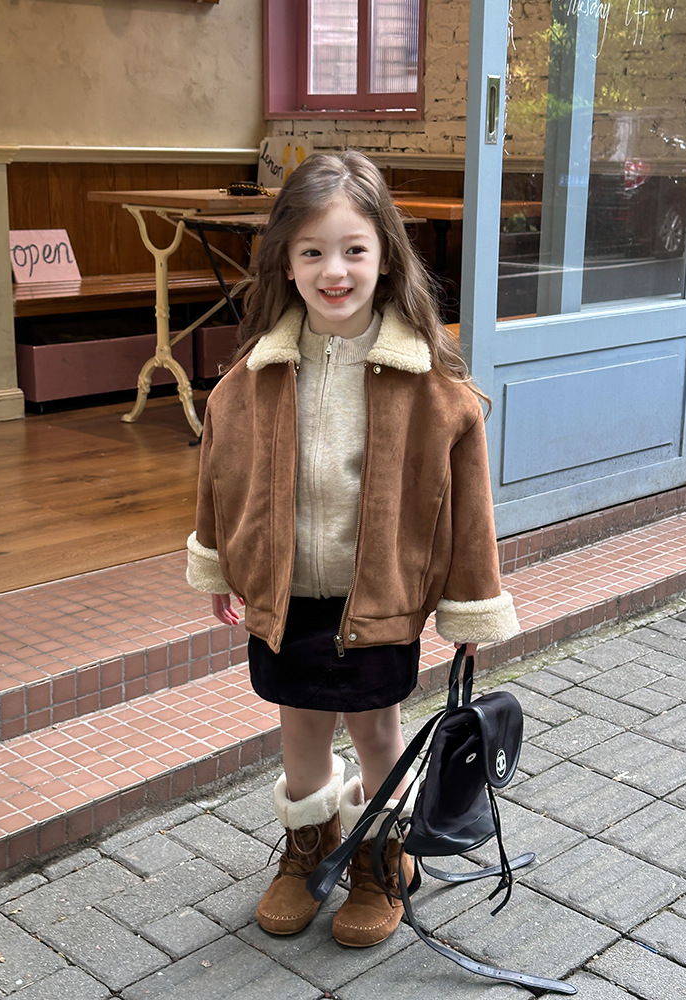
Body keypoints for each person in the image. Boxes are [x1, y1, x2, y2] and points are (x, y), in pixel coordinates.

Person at [186, 150, 520, 948]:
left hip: (380, 602)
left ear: (386, 257)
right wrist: (218, 561)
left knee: (376, 734)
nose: (333, 270)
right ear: (286, 263)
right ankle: (309, 849)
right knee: (299, 727)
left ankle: (380, 858)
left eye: (353, 250)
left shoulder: (433, 386)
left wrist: (471, 604)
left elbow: (469, 510)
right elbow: (219, 476)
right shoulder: (253, 375)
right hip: (286, 597)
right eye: (312, 251)